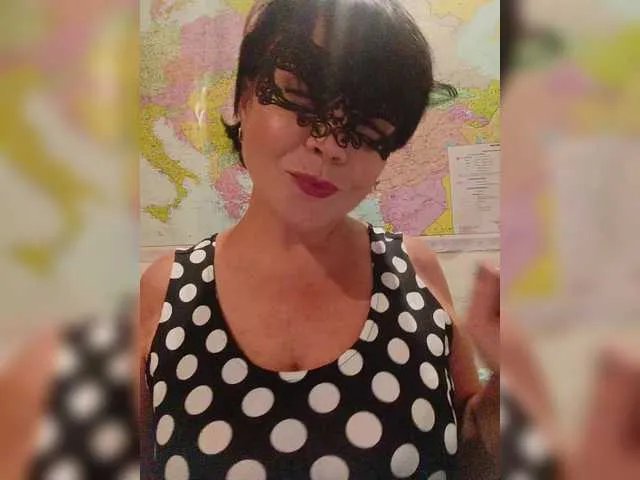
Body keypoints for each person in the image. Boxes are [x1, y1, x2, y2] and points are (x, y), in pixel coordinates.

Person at [139, 0, 499, 478]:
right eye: (301, 99)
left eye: (368, 126)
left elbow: (469, 450)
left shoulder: (416, 272)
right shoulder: (165, 292)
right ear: (243, 98)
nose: (329, 146)